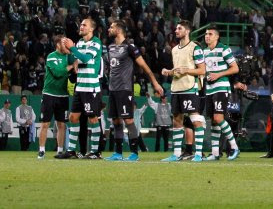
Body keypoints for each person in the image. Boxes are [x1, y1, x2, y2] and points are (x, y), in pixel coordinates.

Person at [104, 20, 163, 162]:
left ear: (118, 30)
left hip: (125, 89)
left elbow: (144, 66)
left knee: (129, 120)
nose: (109, 29)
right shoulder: (110, 47)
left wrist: (155, 82)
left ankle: (134, 153)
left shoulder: (130, 47)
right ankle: (118, 153)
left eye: (111, 27)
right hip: (113, 89)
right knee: (116, 121)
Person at [160, 20, 207, 162]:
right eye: (176, 29)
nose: (176, 31)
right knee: (177, 120)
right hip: (176, 88)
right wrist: (168, 71)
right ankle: (176, 154)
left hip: (189, 87)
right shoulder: (174, 50)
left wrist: (187, 70)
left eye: (179, 28)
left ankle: (198, 154)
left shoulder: (195, 48)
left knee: (195, 119)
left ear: (187, 31)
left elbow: (202, 70)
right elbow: (177, 70)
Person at [61, 18, 105, 159]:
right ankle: (72, 151)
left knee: (93, 119)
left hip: (91, 87)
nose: (81, 26)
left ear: (91, 29)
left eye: (84, 25)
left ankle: (95, 152)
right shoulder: (79, 43)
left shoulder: (96, 43)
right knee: (73, 117)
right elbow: (76, 60)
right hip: (79, 87)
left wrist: (72, 48)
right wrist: (68, 50)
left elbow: (85, 59)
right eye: (80, 24)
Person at [202, 25, 240, 161]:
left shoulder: (224, 49)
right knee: (213, 121)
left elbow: (235, 68)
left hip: (221, 87)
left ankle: (234, 147)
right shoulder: (205, 51)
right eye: (206, 34)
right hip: (209, 89)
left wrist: (219, 74)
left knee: (218, 118)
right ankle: (215, 153)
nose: (207, 36)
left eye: (210, 34)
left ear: (217, 37)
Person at [38, 35, 74, 159]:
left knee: (61, 125)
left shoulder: (68, 57)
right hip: (49, 94)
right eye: (64, 44)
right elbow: (58, 73)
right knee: (45, 124)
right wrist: (70, 66)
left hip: (63, 95)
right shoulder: (51, 56)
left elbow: (74, 72)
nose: (67, 46)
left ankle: (59, 151)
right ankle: (42, 150)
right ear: (58, 45)